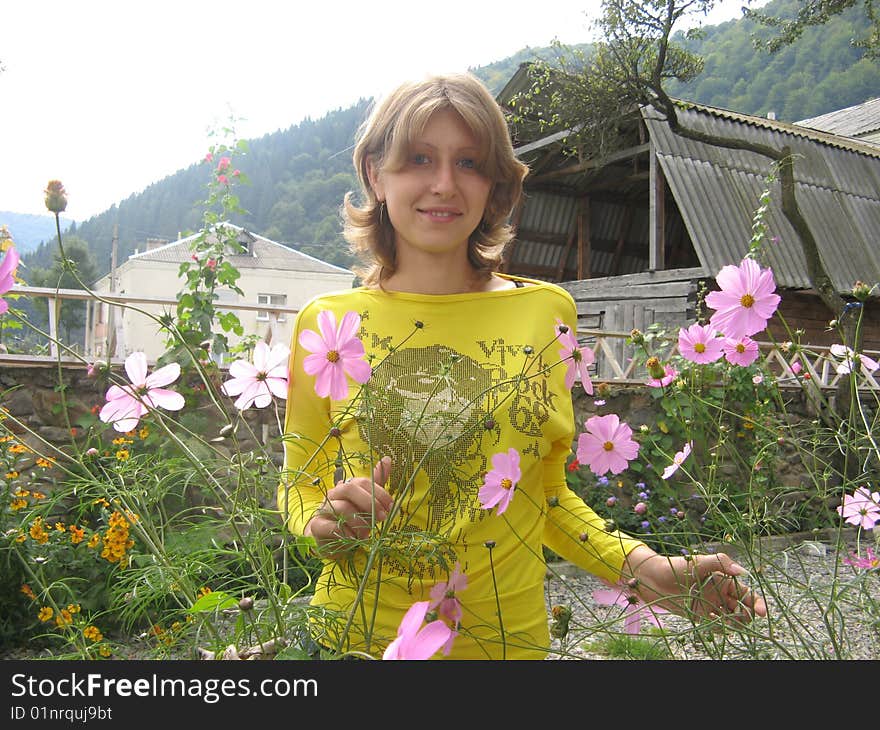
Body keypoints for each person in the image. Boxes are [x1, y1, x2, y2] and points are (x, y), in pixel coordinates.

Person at [278, 71, 767, 660]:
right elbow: (300, 484)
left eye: (470, 163)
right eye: (419, 159)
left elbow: (546, 496)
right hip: (351, 642)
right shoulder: (326, 325)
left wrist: (647, 569)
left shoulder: (545, 313)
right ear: (375, 175)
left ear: (495, 186)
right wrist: (319, 522)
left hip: (505, 647)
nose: (443, 184)